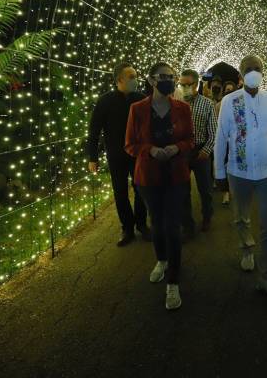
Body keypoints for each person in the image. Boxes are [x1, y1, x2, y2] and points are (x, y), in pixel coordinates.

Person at [214, 54, 267, 298]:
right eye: (248, 68)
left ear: (263, 70)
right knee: (241, 217)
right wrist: (219, 172)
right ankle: (247, 248)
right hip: (239, 172)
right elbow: (221, 137)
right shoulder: (230, 101)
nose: (253, 71)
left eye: (257, 68)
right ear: (240, 73)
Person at [125, 62, 194, 310]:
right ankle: (161, 260)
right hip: (149, 177)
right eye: (163, 77)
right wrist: (150, 150)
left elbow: (190, 139)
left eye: (171, 77)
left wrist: (178, 147)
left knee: (173, 226)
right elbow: (130, 144)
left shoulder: (183, 109)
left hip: (176, 175)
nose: (169, 80)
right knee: (157, 222)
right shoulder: (138, 109)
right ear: (152, 80)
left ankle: (173, 282)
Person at [88, 62, 150, 247]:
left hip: (138, 154)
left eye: (136, 76)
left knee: (141, 189)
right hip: (115, 155)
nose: (135, 80)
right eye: (131, 77)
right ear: (119, 80)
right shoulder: (105, 101)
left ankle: (141, 224)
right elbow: (94, 129)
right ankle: (127, 228)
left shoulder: (141, 99)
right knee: (120, 192)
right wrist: (93, 157)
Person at [178, 69, 217, 235]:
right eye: (182, 84)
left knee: (205, 188)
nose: (186, 87)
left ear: (197, 84)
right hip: (182, 153)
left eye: (189, 84)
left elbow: (213, 131)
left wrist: (207, 150)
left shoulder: (207, 103)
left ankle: (207, 216)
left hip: (201, 151)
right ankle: (187, 223)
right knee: (182, 190)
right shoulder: (176, 104)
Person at [215, 79, 239, 206]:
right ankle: (226, 192)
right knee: (224, 164)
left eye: (231, 90)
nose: (229, 92)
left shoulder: (240, 104)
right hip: (224, 140)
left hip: (237, 141)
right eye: (227, 90)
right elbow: (217, 126)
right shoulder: (219, 106)